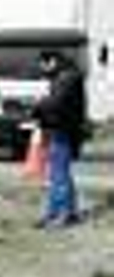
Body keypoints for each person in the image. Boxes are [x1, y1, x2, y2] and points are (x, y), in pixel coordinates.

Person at [33, 51, 88, 228]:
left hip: (61, 130)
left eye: (43, 65)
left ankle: (61, 214)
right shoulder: (68, 76)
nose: (42, 70)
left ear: (52, 62)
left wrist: (37, 107)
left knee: (58, 174)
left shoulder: (65, 78)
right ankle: (65, 211)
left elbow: (55, 103)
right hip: (62, 129)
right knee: (60, 172)